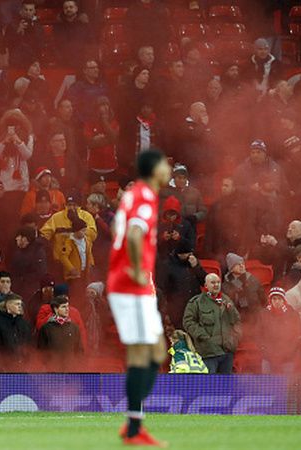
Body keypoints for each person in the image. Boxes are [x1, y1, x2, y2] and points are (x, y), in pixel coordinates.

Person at [107, 149, 171, 445]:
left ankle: (133, 424)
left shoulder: (132, 195)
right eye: (165, 164)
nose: (168, 169)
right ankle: (133, 427)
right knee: (153, 352)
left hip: (124, 284)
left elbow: (118, 229)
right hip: (132, 286)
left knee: (148, 352)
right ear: (154, 169)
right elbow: (134, 234)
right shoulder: (145, 196)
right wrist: (136, 270)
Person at [183, 273, 242, 374]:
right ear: (206, 285)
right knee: (210, 386)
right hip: (208, 352)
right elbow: (188, 322)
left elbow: (237, 321)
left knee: (225, 387)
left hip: (227, 351)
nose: (216, 285)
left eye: (218, 282)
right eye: (213, 282)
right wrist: (203, 337)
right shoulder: (197, 302)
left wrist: (234, 339)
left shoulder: (226, 300)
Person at [39, 192, 97, 285]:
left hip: (84, 262)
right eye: (69, 205)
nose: (72, 207)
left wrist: (76, 232)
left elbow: (93, 234)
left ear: (79, 205)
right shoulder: (56, 217)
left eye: (74, 205)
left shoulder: (86, 216)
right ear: (65, 205)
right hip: (60, 263)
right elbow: (44, 234)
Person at [260, 287, 301, 374]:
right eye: (274, 299)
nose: (277, 301)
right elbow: (258, 333)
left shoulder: (292, 314)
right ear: (270, 300)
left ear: (284, 300)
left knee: (286, 383)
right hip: (268, 356)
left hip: (287, 357)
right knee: (266, 383)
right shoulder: (263, 314)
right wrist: (264, 349)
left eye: (279, 299)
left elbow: (297, 334)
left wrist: (289, 351)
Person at [37, 296, 83, 371]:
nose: (67, 309)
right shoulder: (46, 328)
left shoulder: (74, 327)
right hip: (52, 371)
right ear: (55, 309)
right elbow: (41, 351)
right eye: (63, 307)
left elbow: (79, 350)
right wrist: (48, 365)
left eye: (68, 306)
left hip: (70, 370)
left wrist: (77, 365)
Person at [0, 293, 32, 369]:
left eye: (20, 304)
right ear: (8, 305)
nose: (19, 307)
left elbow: (28, 344)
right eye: (17, 304)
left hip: (22, 365)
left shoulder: (24, 324)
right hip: (4, 366)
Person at [221, 253, 266, 322]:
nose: (241, 266)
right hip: (236, 321)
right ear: (231, 269)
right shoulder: (226, 286)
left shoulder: (253, 280)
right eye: (238, 264)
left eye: (242, 263)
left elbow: (263, 300)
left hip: (255, 318)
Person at [3, 1, 43, 70]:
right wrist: (18, 31)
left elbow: (40, 43)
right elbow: (6, 43)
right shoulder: (12, 25)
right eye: (26, 9)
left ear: (34, 11)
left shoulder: (38, 25)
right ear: (21, 10)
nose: (28, 12)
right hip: (17, 61)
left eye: (30, 10)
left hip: (34, 61)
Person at [9, 226, 46, 297]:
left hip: (29, 290)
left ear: (25, 238)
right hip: (18, 288)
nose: (16, 239)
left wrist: (23, 280)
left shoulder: (38, 252)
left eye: (18, 236)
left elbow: (40, 272)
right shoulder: (19, 251)